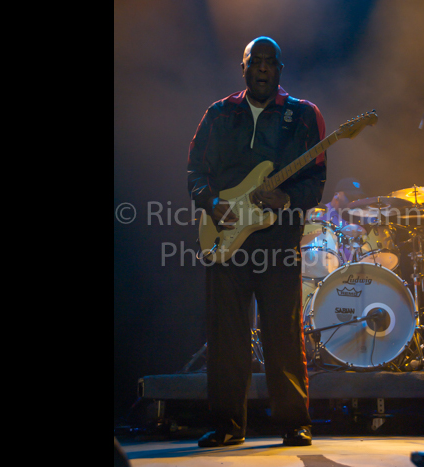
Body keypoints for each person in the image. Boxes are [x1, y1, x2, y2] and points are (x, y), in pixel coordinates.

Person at [187, 37, 327, 448]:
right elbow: (196, 171)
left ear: (280, 69)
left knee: (282, 335)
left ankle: (294, 422)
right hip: (226, 237)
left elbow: (315, 181)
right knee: (226, 335)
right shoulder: (218, 114)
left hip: (278, 243)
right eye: (255, 62)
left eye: (270, 63)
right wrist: (211, 203)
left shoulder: (302, 115)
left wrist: (288, 199)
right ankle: (228, 424)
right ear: (243, 68)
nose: (262, 69)